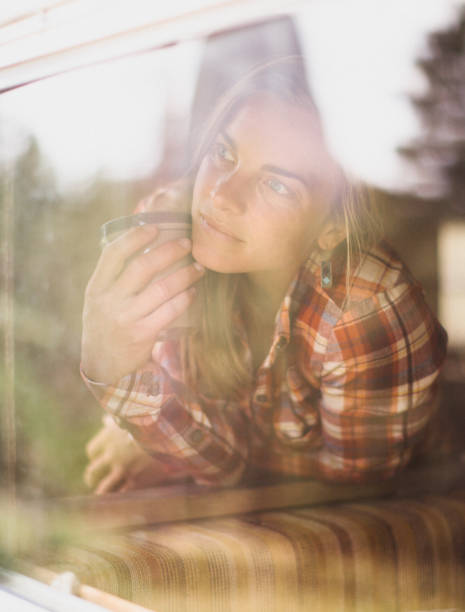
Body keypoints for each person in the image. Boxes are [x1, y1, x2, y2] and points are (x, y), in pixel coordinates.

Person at [81, 57, 447, 492]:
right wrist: (119, 376)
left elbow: (351, 487)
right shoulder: (169, 234)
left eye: (276, 185)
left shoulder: (366, 305)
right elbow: (215, 454)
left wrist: (150, 432)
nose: (220, 195)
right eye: (223, 153)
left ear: (331, 227)